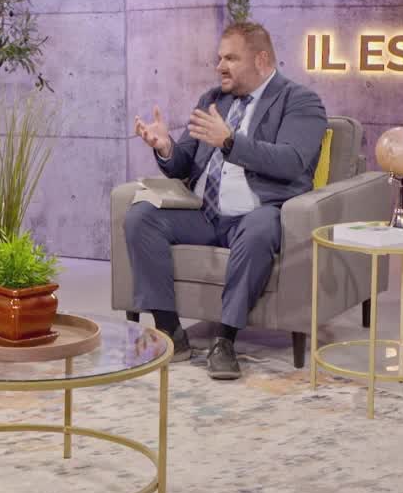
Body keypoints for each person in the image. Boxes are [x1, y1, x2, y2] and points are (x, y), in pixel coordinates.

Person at [128, 22, 328, 380]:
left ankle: (225, 339)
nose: (220, 66)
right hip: (205, 215)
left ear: (262, 59)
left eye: (231, 58)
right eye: (219, 58)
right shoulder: (212, 100)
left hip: (257, 213)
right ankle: (171, 331)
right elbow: (185, 163)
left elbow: (292, 161)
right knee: (141, 216)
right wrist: (166, 147)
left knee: (258, 231)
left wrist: (231, 142)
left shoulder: (299, 101)